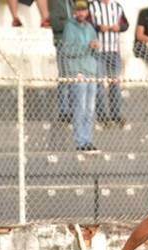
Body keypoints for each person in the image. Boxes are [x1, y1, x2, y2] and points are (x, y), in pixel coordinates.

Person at [62, 0, 99, 152]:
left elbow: (94, 49)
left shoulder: (90, 27)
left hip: (91, 71)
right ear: (74, 11)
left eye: (84, 10)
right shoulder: (69, 27)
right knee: (80, 107)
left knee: (90, 109)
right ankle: (80, 141)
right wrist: (86, 46)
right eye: (79, 10)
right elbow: (67, 50)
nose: (82, 13)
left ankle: (88, 140)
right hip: (78, 71)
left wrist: (95, 46)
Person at [88, 0, 128, 125]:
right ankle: (102, 116)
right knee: (99, 84)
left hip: (114, 51)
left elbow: (126, 24)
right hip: (98, 51)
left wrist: (119, 27)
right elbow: (86, 23)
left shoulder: (117, 6)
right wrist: (98, 27)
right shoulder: (92, 6)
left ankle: (116, 114)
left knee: (115, 84)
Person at [49, 0, 73, 123]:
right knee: (64, 76)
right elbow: (54, 23)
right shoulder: (56, 2)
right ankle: (64, 110)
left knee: (74, 77)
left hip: (75, 45)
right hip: (62, 43)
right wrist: (71, 24)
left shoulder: (72, 3)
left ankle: (73, 109)